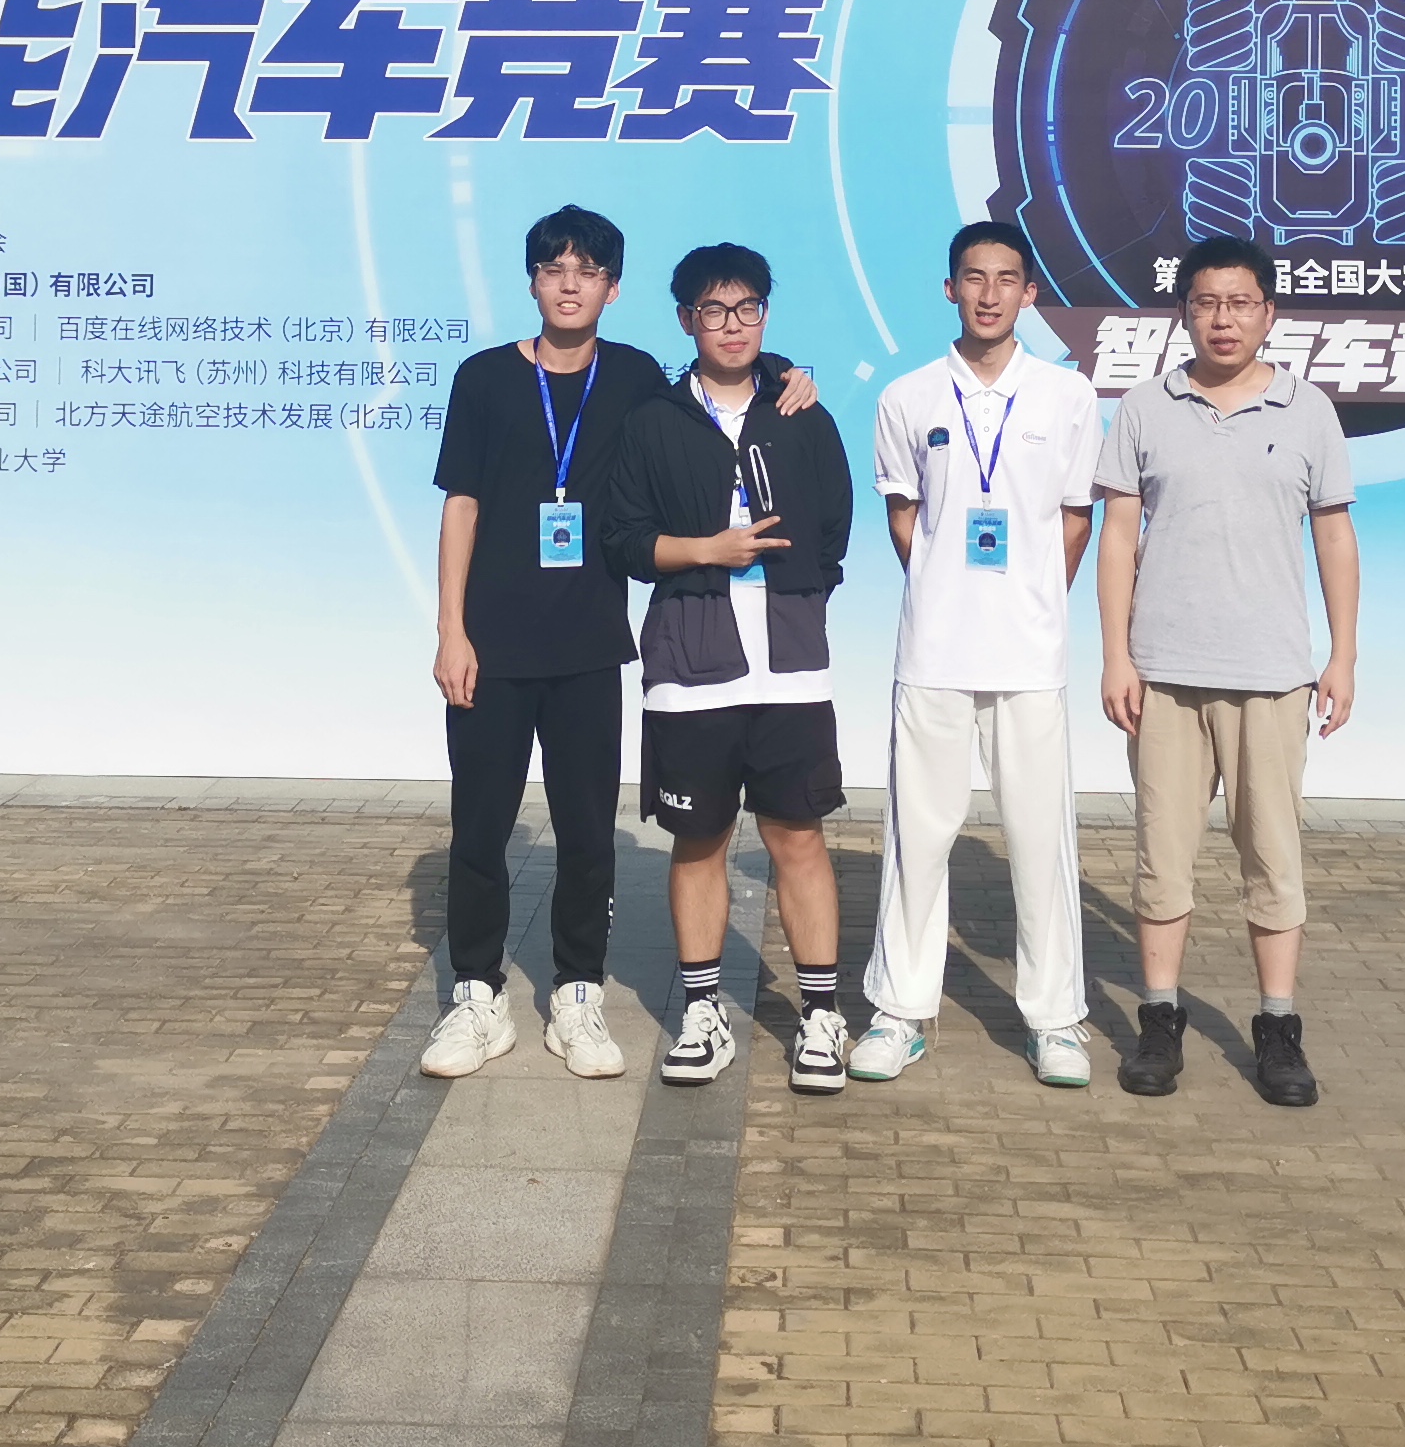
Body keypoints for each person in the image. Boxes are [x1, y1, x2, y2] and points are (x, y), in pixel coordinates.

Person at [423, 204, 818, 1082]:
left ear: (613, 287)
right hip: (491, 645)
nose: (570, 285)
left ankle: (576, 992)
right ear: (533, 280)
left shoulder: (636, 376)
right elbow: (462, 506)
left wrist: (792, 373)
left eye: (588, 271)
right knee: (478, 829)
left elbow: (719, 378)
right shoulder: (484, 378)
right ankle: (477, 996)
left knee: (586, 833)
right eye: (554, 269)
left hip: (591, 647)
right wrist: (451, 631)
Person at [1095, 237, 1359, 1110]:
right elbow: (1119, 538)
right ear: (1183, 312)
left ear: (1268, 312)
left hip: (1272, 676)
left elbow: (1334, 535)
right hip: (1164, 675)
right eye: (1206, 302)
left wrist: (1343, 655)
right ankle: (1159, 1018)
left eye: (1240, 302)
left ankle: (1278, 1026)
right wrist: (1116, 655)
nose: (1223, 318)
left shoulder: (1308, 410)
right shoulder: (1144, 408)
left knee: (1273, 860)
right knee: (1161, 859)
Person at [599, 244, 857, 1091]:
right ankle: (703, 1010)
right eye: (714, 310)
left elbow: (833, 528)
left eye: (748, 308)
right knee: (698, 838)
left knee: (798, 838)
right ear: (686, 320)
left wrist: (802, 596)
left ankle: (820, 1013)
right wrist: (708, 550)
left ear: (766, 314)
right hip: (690, 662)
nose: (733, 325)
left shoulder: (802, 412)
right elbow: (626, 541)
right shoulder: (654, 421)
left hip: (790, 668)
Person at [854, 222, 1105, 1087]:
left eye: (1006, 279)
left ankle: (1055, 1019)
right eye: (973, 276)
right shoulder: (909, 397)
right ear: (949, 287)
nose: (989, 293)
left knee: (1041, 841)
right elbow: (905, 519)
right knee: (917, 838)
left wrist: (1026, 600)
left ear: (1030, 292)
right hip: (933, 651)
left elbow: (1075, 520)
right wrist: (949, 591)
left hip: (1030, 657)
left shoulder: (1067, 396)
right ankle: (899, 1011)